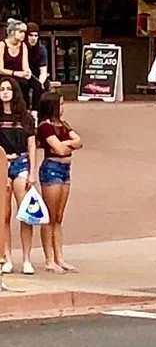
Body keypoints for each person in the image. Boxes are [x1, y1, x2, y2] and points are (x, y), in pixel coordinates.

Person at [36, 95, 81, 273]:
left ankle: (60, 257)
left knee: (59, 217)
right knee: (49, 215)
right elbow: (60, 149)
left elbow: (79, 141)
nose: (63, 107)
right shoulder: (45, 127)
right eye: (60, 104)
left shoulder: (63, 124)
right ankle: (49, 259)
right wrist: (70, 144)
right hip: (52, 168)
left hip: (65, 169)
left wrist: (68, 144)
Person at [0, 76, 37, 275]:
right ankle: (7, 257)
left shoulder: (26, 118)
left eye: (8, 89)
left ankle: (27, 259)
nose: (5, 92)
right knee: (4, 214)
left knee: (25, 213)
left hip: (21, 163)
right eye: (1, 89)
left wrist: (32, 172)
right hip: (3, 165)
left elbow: (31, 145)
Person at [24, 22, 48, 113]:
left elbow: (43, 71)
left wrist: (40, 82)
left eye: (36, 35)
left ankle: (36, 112)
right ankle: (25, 111)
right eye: (31, 35)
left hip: (37, 76)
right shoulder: (22, 47)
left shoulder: (41, 49)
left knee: (40, 86)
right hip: (23, 75)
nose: (33, 38)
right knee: (23, 85)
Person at [1, 19, 31, 91]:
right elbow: (0, 69)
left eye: (24, 32)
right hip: (5, 76)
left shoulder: (23, 46)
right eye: (20, 32)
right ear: (12, 32)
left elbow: (25, 66)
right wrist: (16, 73)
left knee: (32, 84)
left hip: (19, 76)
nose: (23, 34)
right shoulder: (2, 45)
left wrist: (28, 73)